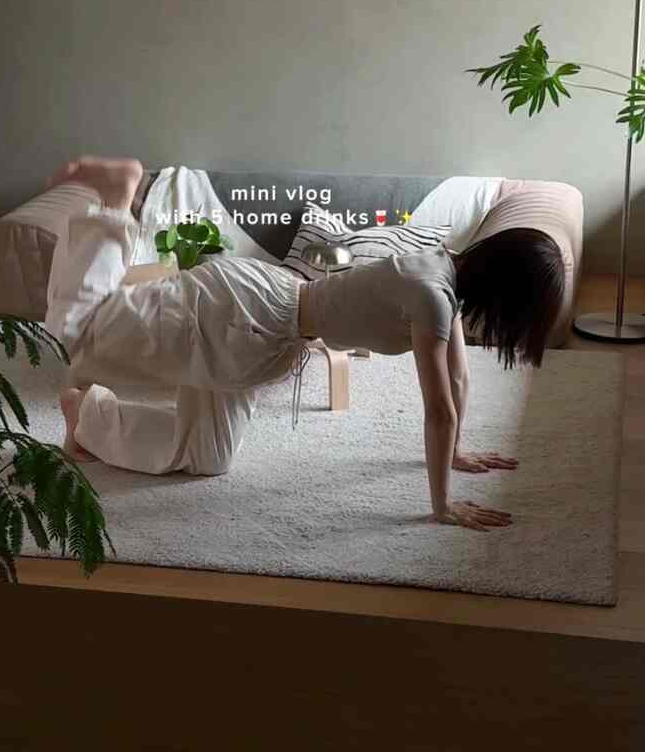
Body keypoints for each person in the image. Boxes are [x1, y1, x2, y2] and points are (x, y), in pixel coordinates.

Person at [45, 157, 565, 532]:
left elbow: (459, 378)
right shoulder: (432, 295)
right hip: (243, 314)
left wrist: (457, 454)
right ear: (505, 295)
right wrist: (442, 507)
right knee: (77, 332)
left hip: (265, 335)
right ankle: (115, 202)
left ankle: (85, 418)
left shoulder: (444, 272)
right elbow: (439, 411)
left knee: (208, 457)